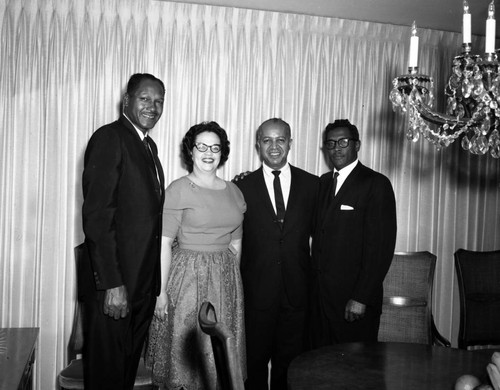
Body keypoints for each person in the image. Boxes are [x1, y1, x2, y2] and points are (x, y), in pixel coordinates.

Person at [146, 121, 246, 389]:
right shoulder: (178, 190)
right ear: (190, 151)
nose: (208, 152)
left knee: (220, 358)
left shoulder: (235, 191)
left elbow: (236, 243)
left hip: (224, 280)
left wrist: (230, 283)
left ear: (222, 152)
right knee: (186, 360)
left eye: (215, 147)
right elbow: (164, 243)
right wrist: (161, 292)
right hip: (187, 278)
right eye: (201, 146)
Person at [80, 73, 165, 389]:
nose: (152, 107)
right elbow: (98, 217)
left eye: (158, 101)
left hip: (141, 286)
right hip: (116, 288)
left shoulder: (148, 146)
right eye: (145, 98)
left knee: (125, 376)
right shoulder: (109, 138)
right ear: (126, 100)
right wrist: (113, 284)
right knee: (107, 378)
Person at [235, 118, 319, 390]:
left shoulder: (313, 185)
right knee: (253, 367)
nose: (274, 146)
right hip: (256, 294)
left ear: (290, 143)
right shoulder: (240, 188)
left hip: (297, 294)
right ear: (258, 144)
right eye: (267, 140)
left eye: (280, 140)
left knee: (291, 368)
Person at [310, 119, 397, 347]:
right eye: (330, 143)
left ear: (357, 145)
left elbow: (380, 249)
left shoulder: (376, 184)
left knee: (354, 374)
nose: (336, 148)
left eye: (343, 142)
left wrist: (361, 297)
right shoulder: (323, 182)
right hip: (320, 303)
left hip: (354, 303)